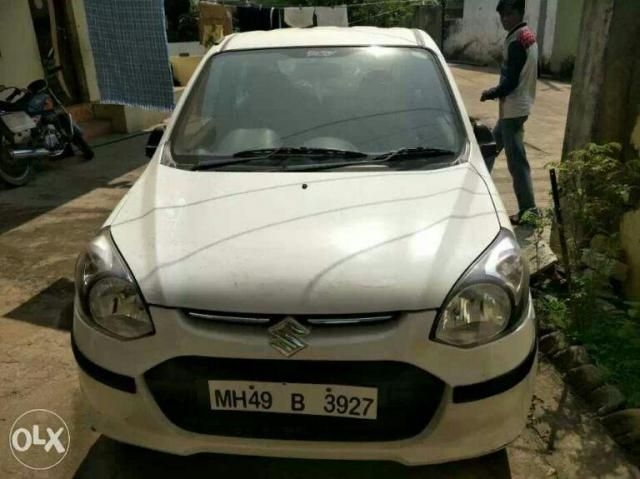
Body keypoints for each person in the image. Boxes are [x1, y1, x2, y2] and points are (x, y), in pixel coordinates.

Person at [481, 0, 538, 225]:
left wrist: (491, 92)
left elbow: (511, 81)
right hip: (518, 106)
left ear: (519, 12)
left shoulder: (516, 41)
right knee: (490, 147)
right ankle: (478, 187)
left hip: (513, 108)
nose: (505, 19)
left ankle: (529, 210)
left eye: (509, 14)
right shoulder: (526, 34)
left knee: (516, 162)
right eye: (502, 15)